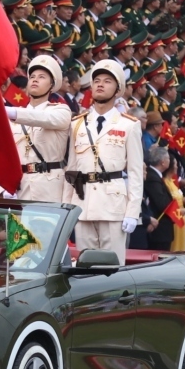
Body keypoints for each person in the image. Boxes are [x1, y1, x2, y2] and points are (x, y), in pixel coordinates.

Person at [63, 59, 145, 264]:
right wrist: (66, 208)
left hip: (113, 205)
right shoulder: (77, 123)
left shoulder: (129, 125)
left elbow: (135, 173)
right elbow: (71, 170)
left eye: (108, 81)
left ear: (118, 90)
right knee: (85, 267)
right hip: (83, 204)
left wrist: (133, 212)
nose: (100, 84)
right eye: (96, 80)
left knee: (112, 268)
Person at [4, 55, 71, 202]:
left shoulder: (61, 110)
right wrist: (3, 187)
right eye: (32, 76)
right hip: (19, 187)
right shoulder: (13, 115)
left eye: (42, 77)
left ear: (52, 85)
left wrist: (10, 112)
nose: (35, 79)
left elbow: (42, 118)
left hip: (49, 189)